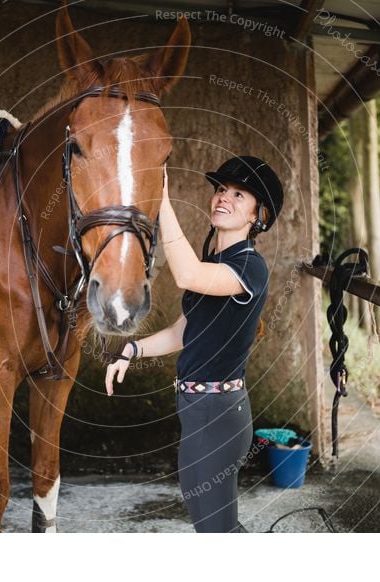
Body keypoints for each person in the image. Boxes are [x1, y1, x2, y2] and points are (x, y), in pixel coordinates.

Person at [105, 156, 284, 533]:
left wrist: (163, 201)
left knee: (216, 529)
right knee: (211, 523)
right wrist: (130, 351)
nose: (224, 197)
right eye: (221, 189)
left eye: (239, 195)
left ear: (257, 215)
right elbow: (182, 333)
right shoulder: (216, 261)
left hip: (218, 413)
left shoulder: (250, 266)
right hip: (195, 409)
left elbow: (185, 274)